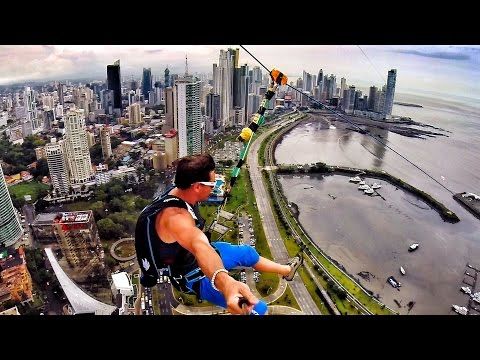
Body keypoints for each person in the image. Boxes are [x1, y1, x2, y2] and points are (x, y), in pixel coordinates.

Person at [134, 153, 303, 315]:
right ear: (197, 186)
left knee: (248, 253)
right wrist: (226, 283)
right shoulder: (176, 219)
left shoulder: (179, 189)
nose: (215, 187)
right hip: (193, 276)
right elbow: (199, 245)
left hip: (193, 255)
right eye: (213, 185)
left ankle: (287, 270)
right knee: (257, 309)